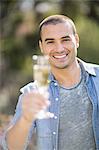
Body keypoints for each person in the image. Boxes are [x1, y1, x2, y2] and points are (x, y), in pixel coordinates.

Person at [1, 14, 99, 150]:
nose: (59, 48)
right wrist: (26, 119)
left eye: (65, 40)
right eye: (50, 42)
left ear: (76, 40)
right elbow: (11, 147)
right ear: (41, 46)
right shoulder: (31, 93)